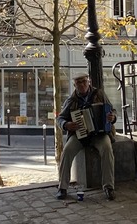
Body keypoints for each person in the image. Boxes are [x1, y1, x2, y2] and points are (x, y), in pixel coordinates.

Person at [55, 73, 117, 201]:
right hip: (80, 134)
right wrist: (66, 124)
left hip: (99, 134)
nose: (82, 84)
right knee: (67, 151)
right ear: (74, 85)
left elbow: (112, 110)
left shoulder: (99, 94)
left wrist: (112, 117)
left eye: (84, 81)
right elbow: (60, 118)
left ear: (89, 81)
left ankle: (108, 187)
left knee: (107, 148)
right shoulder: (71, 101)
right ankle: (62, 187)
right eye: (78, 82)